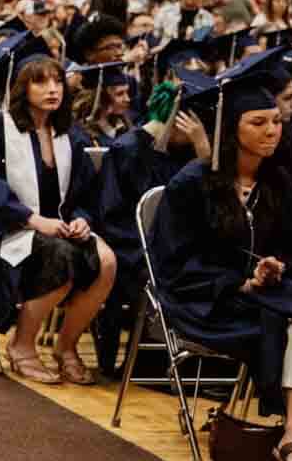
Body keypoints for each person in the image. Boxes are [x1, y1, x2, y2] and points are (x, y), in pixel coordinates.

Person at [148, 52, 292, 461]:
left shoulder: (278, 184)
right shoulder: (193, 184)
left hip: (266, 300)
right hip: (208, 303)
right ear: (230, 128)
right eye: (258, 122)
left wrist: (278, 266)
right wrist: (239, 282)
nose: (272, 131)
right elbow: (175, 266)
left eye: (276, 121)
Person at [0, 54, 117, 384]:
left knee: (106, 261)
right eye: (40, 81)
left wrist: (82, 219)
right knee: (63, 257)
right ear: (23, 87)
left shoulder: (69, 135)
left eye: (58, 81)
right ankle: (22, 345)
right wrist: (31, 218)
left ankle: (66, 346)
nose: (52, 89)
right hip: (7, 230)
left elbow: (86, 194)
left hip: (56, 229)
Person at [86, 74, 213, 375]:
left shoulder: (187, 153)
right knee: (174, 274)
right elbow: (112, 216)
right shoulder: (128, 150)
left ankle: (194, 363)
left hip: (176, 247)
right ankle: (156, 362)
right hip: (132, 248)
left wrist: (204, 155)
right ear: (179, 120)